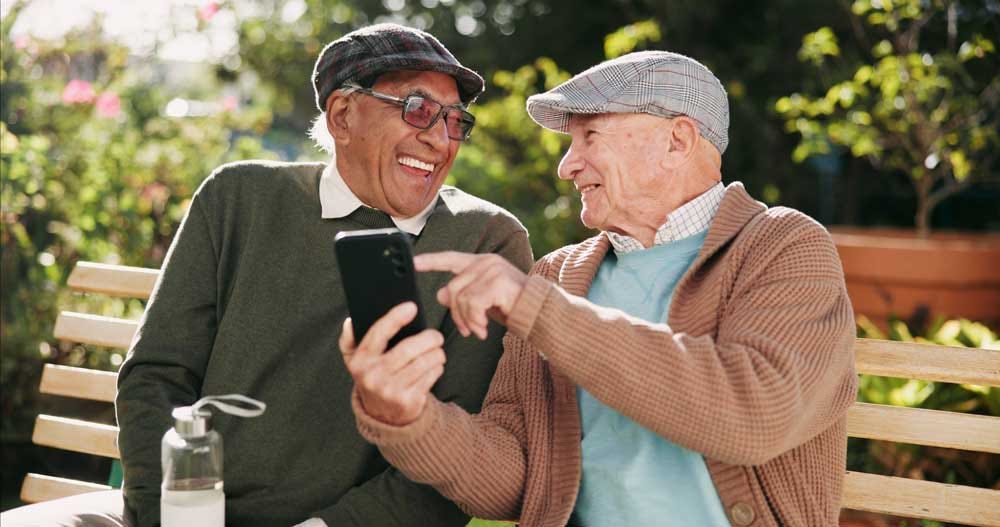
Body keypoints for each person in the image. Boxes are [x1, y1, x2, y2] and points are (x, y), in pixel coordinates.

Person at [2, 24, 531, 527]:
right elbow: (156, 377)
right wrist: (171, 514)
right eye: (419, 110)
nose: (441, 140)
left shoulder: (485, 241)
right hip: (180, 509)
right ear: (343, 115)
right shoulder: (238, 198)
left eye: (455, 121)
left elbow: (455, 460)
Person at [342, 51, 858, 527]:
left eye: (589, 137)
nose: (566, 166)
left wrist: (535, 308)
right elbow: (518, 482)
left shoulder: (784, 247)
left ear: (677, 141)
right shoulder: (556, 275)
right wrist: (410, 417)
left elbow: (754, 417)